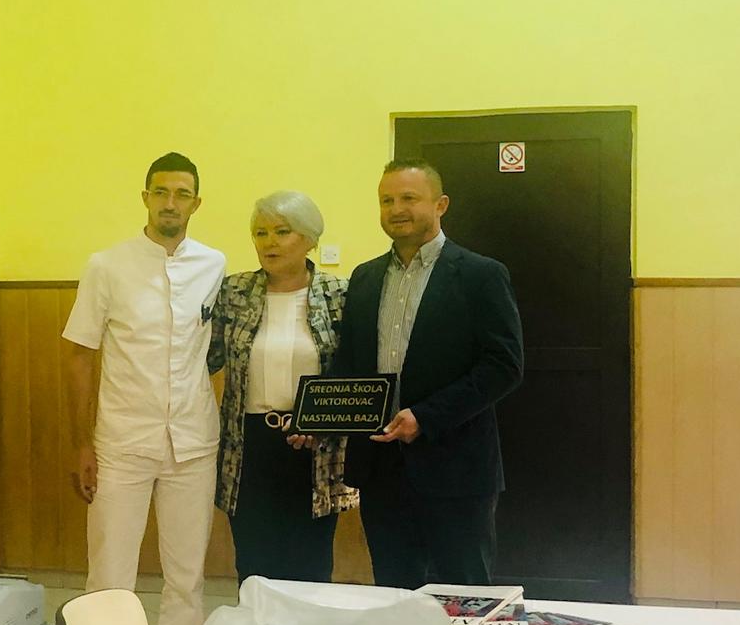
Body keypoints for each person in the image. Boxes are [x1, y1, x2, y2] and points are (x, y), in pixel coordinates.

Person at [62, 152, 225, 625]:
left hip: (193, 444)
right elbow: (79, 355)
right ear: (145, 198)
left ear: (196, 203)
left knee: (187, 579)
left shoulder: (215, 266)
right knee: (110, 577)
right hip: (121, 444)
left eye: (182, 194)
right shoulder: (106, 266)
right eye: (161, 192)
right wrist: (81, 443)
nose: (170, 203)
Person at [332, 158, 524, 590]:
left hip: (456, 466)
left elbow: (504, 365)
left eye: (409, 198)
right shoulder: (364, 278)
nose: (396, 209)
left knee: (465, 594)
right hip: (380, 469)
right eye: (386, 200)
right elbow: (350, 363)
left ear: (441, 205)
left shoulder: (481, 275)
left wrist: (426, 416)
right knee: (394, 594)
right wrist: (317, 419)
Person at [208, 191, 357, 584]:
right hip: (249, 445)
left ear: (309, 238)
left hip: (314, 446)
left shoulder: (339, 293)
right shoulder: (235, 291)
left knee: (310, 565)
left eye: (282, 231)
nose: (269, 242)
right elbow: (206, 359)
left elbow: (353, 369)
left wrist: (320, 421)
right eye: (260, 233)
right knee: (254, 567)